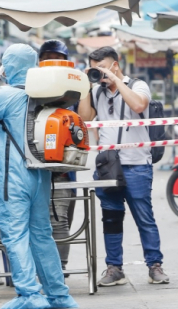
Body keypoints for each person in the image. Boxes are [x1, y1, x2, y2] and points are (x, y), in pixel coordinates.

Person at [0, 44, 78, 309]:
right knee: (42, 234)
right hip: (41, 175)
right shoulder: (46, 93)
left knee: (15, 234)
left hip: (13, 177)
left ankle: (30, 295)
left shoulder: (4, 94)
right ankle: (59, 296)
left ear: (8, 67)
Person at [78, 46, 169, 286]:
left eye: (103, 68)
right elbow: (85, 118)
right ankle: (114, 267)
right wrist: (86, 88)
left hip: (136, 163)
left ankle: (155, 265)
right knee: (111, 218)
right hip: (107, 164)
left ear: (115, 65)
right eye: (94, 68)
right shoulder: (97, 92)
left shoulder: (138, 85)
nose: (99, 73)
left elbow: (139, 106)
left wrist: (117, 80)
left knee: (144, 216)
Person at [38, 39, 77, 277]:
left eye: (57, 57)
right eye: (46, 57)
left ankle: (59, 269)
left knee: (60, 220)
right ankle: (42, 269)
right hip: (33, 166)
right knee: (38, 223)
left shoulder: (75, 88)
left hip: (63, 167)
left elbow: (84, 118)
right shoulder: (31, 85)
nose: (51, 61)